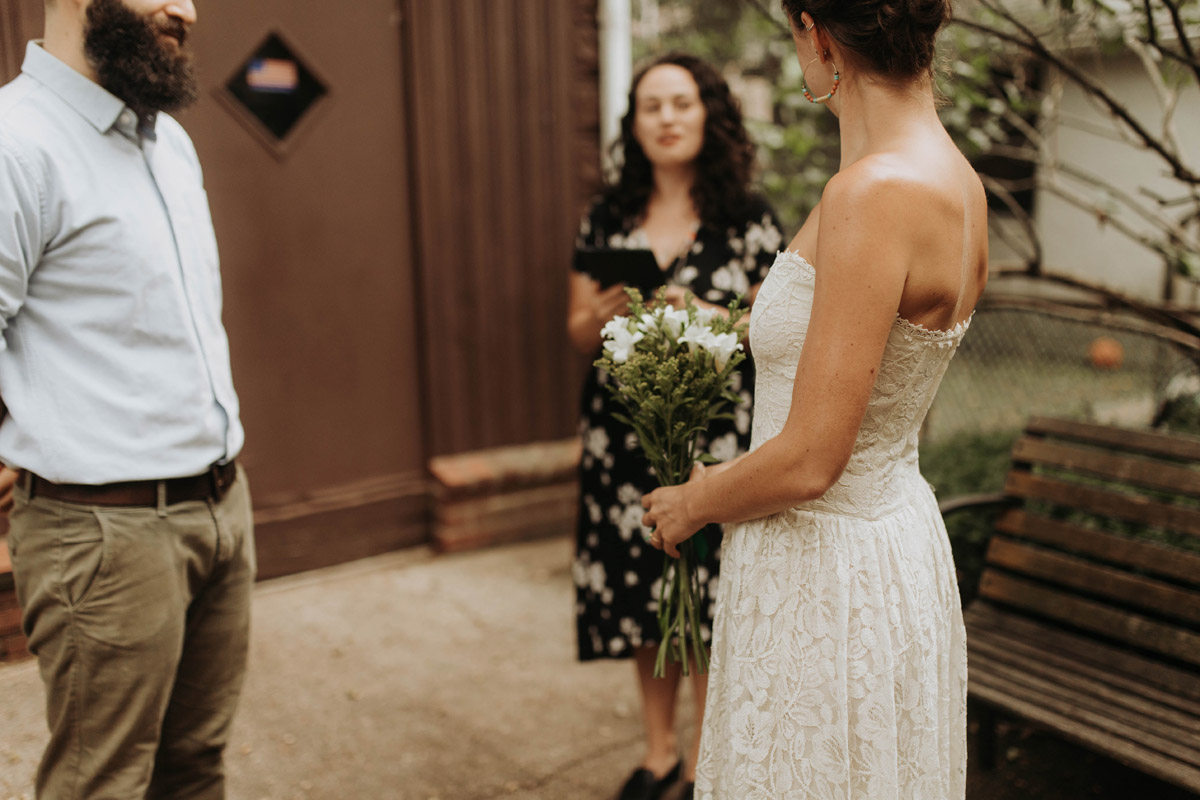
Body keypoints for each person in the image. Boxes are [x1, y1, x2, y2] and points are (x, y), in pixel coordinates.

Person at [641, 1, 988, 797]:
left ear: (817, 34)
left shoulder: (872, 192)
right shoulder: (956, 180)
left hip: (825, 569)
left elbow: (810, 460)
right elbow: (865, 342)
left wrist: (696, 502)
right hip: (893, 544)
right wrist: (729, 323)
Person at [0, 1, 254, 797]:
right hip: (102, 537)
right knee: (99, 786)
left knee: (195, 769)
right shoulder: (16, 141)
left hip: (221, 510)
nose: (186, 9)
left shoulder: (168, 141)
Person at [567, 53, 785, 800]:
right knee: (642, 599)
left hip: (717, 440)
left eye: (681, 103)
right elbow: (574, 328)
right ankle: (657, 754)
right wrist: (596, 319)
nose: (665, 118)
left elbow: (778, 326)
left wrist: (709, 317)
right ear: (633, 123)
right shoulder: (605, 217)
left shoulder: (750, 219)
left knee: (706, 594)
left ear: (708, 113)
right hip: (623, 436)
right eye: (650, 106)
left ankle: (701, 762)